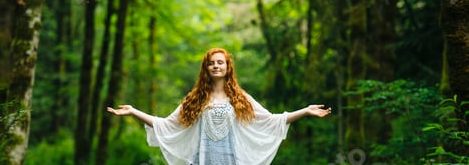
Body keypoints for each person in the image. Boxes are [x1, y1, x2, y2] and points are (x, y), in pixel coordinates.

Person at [107, 47, 331, 165]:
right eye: (211, 63)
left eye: (220, 63)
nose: (216, 66)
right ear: (206, 69)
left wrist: (305, 111)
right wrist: (133, 111)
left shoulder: (241, 97)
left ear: (227, 67)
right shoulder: (194, 99)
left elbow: (272, 120)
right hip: (200, 160)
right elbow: (166, 124)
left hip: (231, 160)